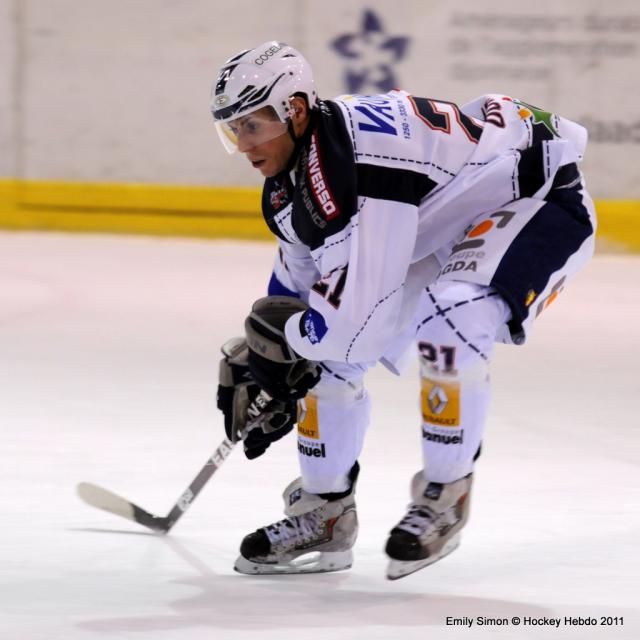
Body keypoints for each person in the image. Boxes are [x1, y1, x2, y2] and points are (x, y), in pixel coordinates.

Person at [212, 41, 596, 579]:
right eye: (233, 130)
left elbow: (356, 331)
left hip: (531, 198)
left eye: (252, 126)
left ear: (294, 110)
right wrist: (263, 361)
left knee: (451, 318)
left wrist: (286, 347)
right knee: (319, 356)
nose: (243, 144)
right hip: (441, 217)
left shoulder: (361, 162)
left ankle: (446, 492)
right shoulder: (293, 182)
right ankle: (324, 511)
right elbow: (289, 301)